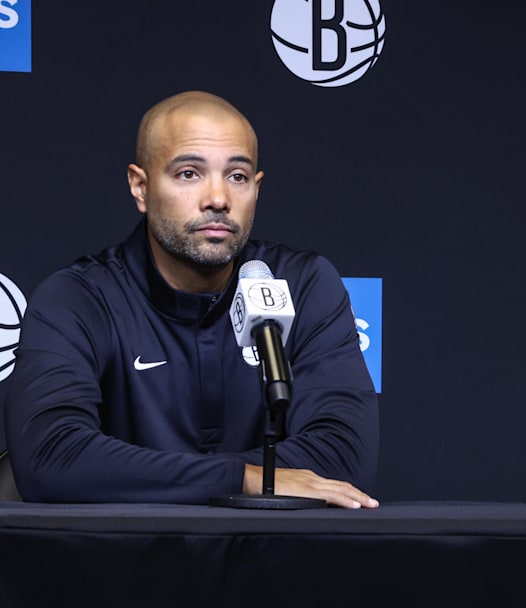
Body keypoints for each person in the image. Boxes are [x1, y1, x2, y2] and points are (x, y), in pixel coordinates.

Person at [3, 91, 380, 508]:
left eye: (237, 176)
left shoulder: (304, 284)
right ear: (140, 187)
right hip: (119, 565)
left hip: (271, 564)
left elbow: (343, 455)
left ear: (256, 188)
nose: (218, 199)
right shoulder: (77, 297)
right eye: (189, 173)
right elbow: (51, 456)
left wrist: (150, 476)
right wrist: (243, 478)